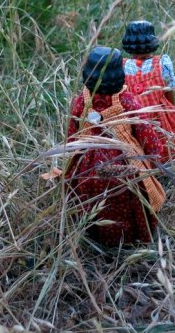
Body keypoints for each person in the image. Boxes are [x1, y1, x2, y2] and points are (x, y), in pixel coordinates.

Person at [64, 46, 166, 246]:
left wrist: (72, 157)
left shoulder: (81, 101)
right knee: (129, 200)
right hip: (124, 161)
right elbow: (145, 130)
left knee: (90, 198)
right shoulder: (128, 102)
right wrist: (154, 154)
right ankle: (129, 239)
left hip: (88, 162)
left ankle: (95, 235)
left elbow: (72, 132)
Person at [121, 21, 175, 160]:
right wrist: (172, 108)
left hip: (132, 113)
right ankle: (162, 160)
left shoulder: (123, 64)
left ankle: (142, 161)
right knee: (165, 136)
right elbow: (169, 90)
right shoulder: (161, 62)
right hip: (157, 111)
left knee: (137, 138)